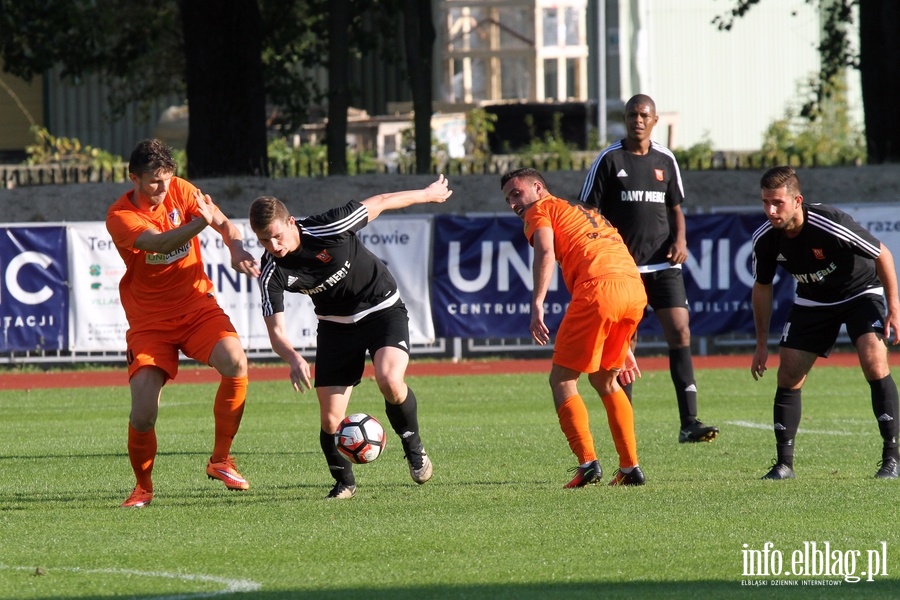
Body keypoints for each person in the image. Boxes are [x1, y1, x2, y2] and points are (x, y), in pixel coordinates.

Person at [248, 175, 452, 499]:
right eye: (263, 241)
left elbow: (381, 201)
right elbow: (275, 332)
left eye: (276, 236)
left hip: (381, 308)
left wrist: (428, 194)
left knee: (389, 380)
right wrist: (293, 357)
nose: (273, 246)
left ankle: (413, 445)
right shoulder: (272, 270)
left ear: (290, 222)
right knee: (331, 419)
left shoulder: (329, 226)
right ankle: (344, 483)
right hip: (335, 327)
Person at [106, 139, 260, 508]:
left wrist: (235, 245)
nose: (163, 188)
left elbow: (223, 222)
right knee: (143, 413)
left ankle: (220, 460)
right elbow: (159, 244)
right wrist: (199, 224)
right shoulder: (119, 216)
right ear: (135, 179)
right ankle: (143, 487)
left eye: (168, 179)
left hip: (196, 306)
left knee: (236, 362)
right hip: (149, 322)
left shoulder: (181, 189)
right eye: (155, 182)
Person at [578, 93, 719, 444]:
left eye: (643, 115)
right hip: (623, 269)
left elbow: (675, 209)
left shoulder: (665, 159)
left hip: (663, 263)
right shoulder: (610, 159)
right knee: (625, 345)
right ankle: (624, 426)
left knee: (680, 331)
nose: (637, 120)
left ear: (655, 120)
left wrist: (681, 241)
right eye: (631, 115)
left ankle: (689, 422)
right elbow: (586, 212)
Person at [751, 165, 900, 480]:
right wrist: (761, 344)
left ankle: (892, 457)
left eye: (777, 202)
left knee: (874, 360)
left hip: (859, 292)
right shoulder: (766, 238)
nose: (770, 210)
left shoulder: (830, 223)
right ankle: (784, 465)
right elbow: (762, 287)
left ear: (797, 200)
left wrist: (894, 308)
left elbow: (882, 254)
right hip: (814, 301)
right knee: (788, 372)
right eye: (765, 202)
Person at [501, 167, 647, 487]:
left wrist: (537, 301)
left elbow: (545, 250)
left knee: (562, 380)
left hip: (599, 290)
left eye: (517, 193)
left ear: (538, 188)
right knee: (606, 380)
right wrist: (624, 343)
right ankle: (629, 468)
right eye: (508, 199)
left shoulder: (540, 209)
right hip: (634, 291)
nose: (513, 203)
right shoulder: (585, 212)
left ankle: (588, 463)